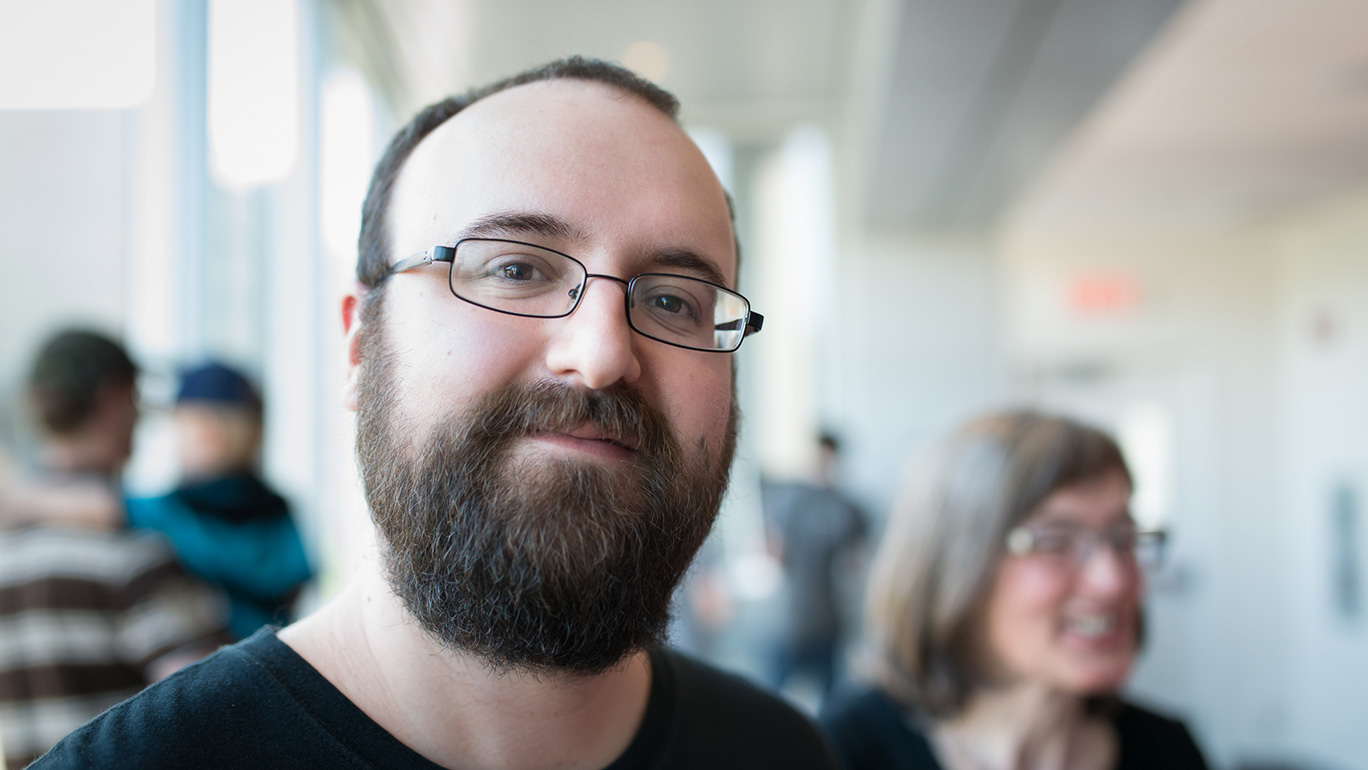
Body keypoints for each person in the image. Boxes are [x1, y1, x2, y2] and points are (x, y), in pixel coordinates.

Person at [33, 57, 839, 769]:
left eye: (672, 301)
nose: (599, 355)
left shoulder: (784, 756)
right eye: (515, 269)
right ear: (359, 347)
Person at [821, 411, 1209, 770]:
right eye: (1055, 541)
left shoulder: (1169, 752)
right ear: (954, 566)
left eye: (1123, 538)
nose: (1115, 580)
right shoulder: (840, 753)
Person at [0, 330, 227, 769]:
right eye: (137, 399)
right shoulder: (129, 557)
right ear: (114, 400)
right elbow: (215, 704)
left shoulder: (7, 552)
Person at [0, 362, 313, 641]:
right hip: (274, 660)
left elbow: (106, 507)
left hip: (215, 663)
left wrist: (18, 499)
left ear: (208, 435)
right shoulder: (280, 510)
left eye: (180, 425)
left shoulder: (176, 510)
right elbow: (296, 582)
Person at [764, 431, 867, 702]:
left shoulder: (848, 509)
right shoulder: (789, 501)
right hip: (791, 622)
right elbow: (773, 553)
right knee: (771, 700)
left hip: (825, 622)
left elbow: (854, 567)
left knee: (828, 703)